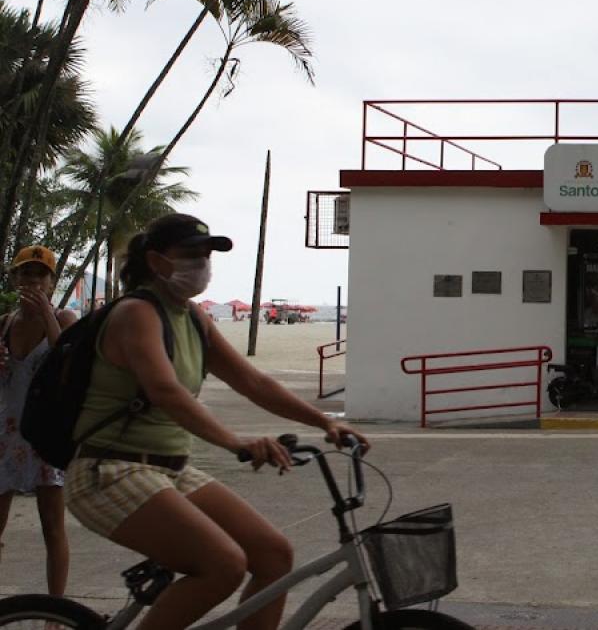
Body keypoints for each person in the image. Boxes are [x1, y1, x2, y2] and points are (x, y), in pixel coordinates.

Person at [63, 214, 371, 630]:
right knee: (222, 565)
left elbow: (251, 380)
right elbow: (165, 392)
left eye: (206, 255)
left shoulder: (191, 317)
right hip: (111, 470)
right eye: (190, 254)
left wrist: (324, 422)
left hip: (166, 469)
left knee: (273, 554)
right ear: (156, 261)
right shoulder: (137, 312)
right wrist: (235, 442)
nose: (201, 263)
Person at [0, 245, 77, 594]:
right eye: (25, 273)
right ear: (14, 278)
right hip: (6, 431)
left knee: (52, 527)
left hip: (45, 433)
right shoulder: (4, 323)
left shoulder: (64, 319)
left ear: (51, 282)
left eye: (41, 274)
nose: (33, 280)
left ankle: (55, 610)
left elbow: (65, 361)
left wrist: (46, 314)